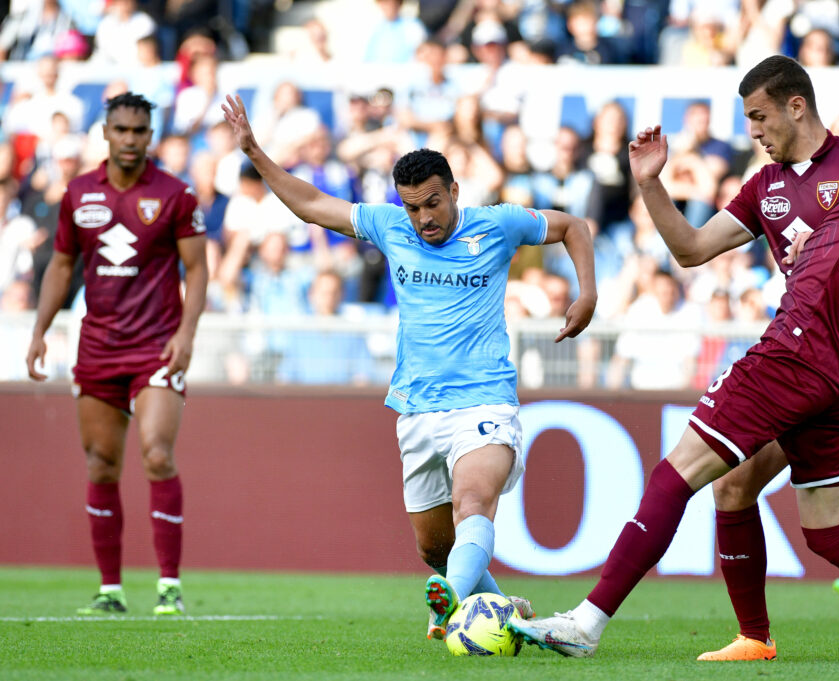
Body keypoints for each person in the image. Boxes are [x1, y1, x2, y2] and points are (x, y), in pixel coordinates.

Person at [509, 61, 839, 664]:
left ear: (796, 107)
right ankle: (758, 636)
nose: (753, 131)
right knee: (749, 492)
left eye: (759, 116)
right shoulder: (767, 187)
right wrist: (651, 184)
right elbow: (690, 249)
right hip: (827, 364)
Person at [221, 94, 597, 641]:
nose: (424, 219)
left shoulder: (498, 226)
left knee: (474, 501)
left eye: (433, 204)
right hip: (417, 408)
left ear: (454, 192)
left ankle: (448, 606)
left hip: (484, 400)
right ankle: (498, 610)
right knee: (434, 548)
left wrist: (587, 295)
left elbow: (575, 227)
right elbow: (309, 204)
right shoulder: (388, 225)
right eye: (413, 207)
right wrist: (256, 152)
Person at [25, 92, 208, 615]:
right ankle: (110, 590)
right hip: (98, 346)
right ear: (105, 133)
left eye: (140, 131)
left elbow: (196, 269)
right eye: (121, 130)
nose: (130, 140)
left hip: (156, 347)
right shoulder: (78, 193)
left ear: (150, 136)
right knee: (102, 464)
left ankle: (168, 586)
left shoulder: (175, 194)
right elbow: (61, 265)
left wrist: (187, 333)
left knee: (156, 452)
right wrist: (40, 329)